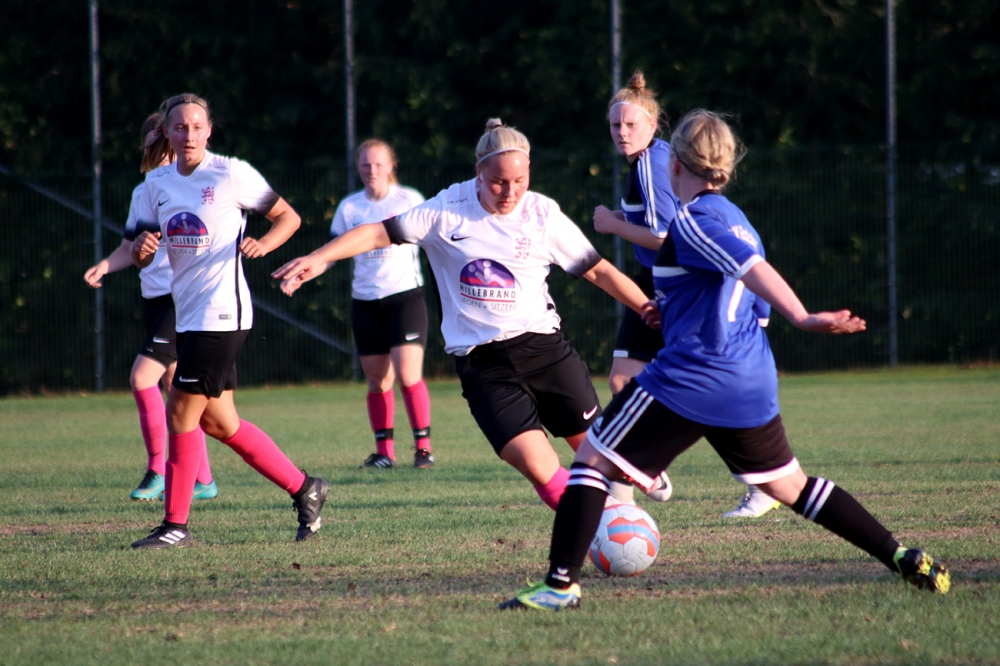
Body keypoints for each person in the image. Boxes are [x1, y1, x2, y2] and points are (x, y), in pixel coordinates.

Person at [499, 110, 949, 610]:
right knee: (789, 485)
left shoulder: (695, 219)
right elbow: (742, 302)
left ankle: (560, 585)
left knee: (593, 459)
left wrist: (802, 316)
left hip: (695, 374)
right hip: (749, 378)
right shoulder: (739, 218)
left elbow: (751, 269)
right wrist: (670, 312)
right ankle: (901, 555)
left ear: (674, 165)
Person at [273, 118, 666, 512]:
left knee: (600, 457)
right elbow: (377, 233)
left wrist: (647, 308)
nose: (510, 192)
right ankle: (605, 523)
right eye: (498, 182)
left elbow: (599, 271)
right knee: (537, 465)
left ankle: (629, 480)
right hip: (484, 366)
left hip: (545, 352)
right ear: (479, 172)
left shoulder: (542, 214)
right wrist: (317, 258)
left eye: (520, 180)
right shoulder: (447, 209)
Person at [128, 93, 329, 548]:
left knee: (180, 411)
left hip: (222, 313)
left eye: (197, 126)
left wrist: (265, 244)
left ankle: (175, 525)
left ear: (209, 130)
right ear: (166, 132)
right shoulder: (156, 184)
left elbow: (288, 217)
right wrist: (141, 251)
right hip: (188, 315)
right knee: (220, 423)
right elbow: (142, 253)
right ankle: (306, 488)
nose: (189, 134)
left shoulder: (229, 172)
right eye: (180, 127)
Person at [83, 112, 217, 502]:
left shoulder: (195, 186)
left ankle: (157, 470)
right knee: (178, 392)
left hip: (182, 299)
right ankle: (203, 479)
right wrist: (105, 265)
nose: (159, 153)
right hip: (154, 300)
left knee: (142, 379)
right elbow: (129, 248)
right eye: (151, 146)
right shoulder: (144, 191)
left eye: (164, 145)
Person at [592, 71, 680, 508]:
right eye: (615, 125)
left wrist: (612, 225)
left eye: (630, 124)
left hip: (678, 282)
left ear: (652, 124)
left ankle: (763, 483)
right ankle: (630, 483)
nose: (622, 132)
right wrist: (621, 219)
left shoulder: (650, 164)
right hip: (655, 279)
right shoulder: (651, 159)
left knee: (710, 387)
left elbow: (666, 237)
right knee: (623, 380)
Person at [329, 139, 433, 469]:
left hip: (405, 298)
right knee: (377, 381)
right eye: (365, 164)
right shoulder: (349, 207)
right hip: (365, 302)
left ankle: (423, 449)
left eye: (378, 164)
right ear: (358, 168)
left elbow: (433, 239)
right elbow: (334, 251)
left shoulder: (410, 200)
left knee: (408, 375)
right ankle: (384, 453)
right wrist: (307, 269)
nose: (371, 170)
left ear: (391, 166)